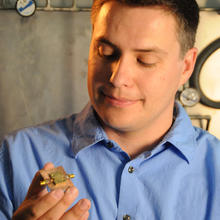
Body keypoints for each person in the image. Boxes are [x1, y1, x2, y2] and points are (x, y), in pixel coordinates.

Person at [1, 0, 220, 219]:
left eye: (145, 60)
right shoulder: (16, 156)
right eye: (105, 52)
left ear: (187, 66)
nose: (118, 78)